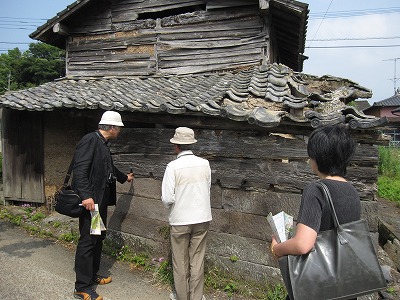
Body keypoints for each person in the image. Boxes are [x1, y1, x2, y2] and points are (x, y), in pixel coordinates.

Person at [270, 124, 360, 300]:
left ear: (318, 158)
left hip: (317, 285)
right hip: (346, 285)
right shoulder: (353, 192)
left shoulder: (316, 190)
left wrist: (277, 249)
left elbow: (303, 244)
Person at [72, 111, 134, 300]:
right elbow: (80, 169)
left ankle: (91, 276)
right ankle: (82, 287)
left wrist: (124, 178)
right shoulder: (90, 140)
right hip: (91, 204)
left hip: (99, 204)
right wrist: (86, 196)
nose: (120, 131)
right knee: (88, 242)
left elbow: (109, 168)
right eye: (119, 128)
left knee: (97, 238)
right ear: (112, 127)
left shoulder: (102, 144)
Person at [161, 127, 212, 300]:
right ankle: (196, 296)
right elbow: (208, 188)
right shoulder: (205, 164)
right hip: (202, 217)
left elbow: (167, 198)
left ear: (176, 146)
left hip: (180, 219)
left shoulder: (172, 167)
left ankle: (182, 296)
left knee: (180, 261)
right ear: (192, 145)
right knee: (197, 259)